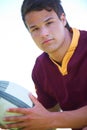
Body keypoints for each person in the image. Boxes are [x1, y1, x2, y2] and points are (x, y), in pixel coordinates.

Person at [1, 0, 87, 130]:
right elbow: (47, 119)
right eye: (35, 28)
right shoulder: (40, 69)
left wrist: (50, 120)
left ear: (63, 19)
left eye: (49, 23)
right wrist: (20, 122)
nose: (43, 33)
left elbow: (50, 120)